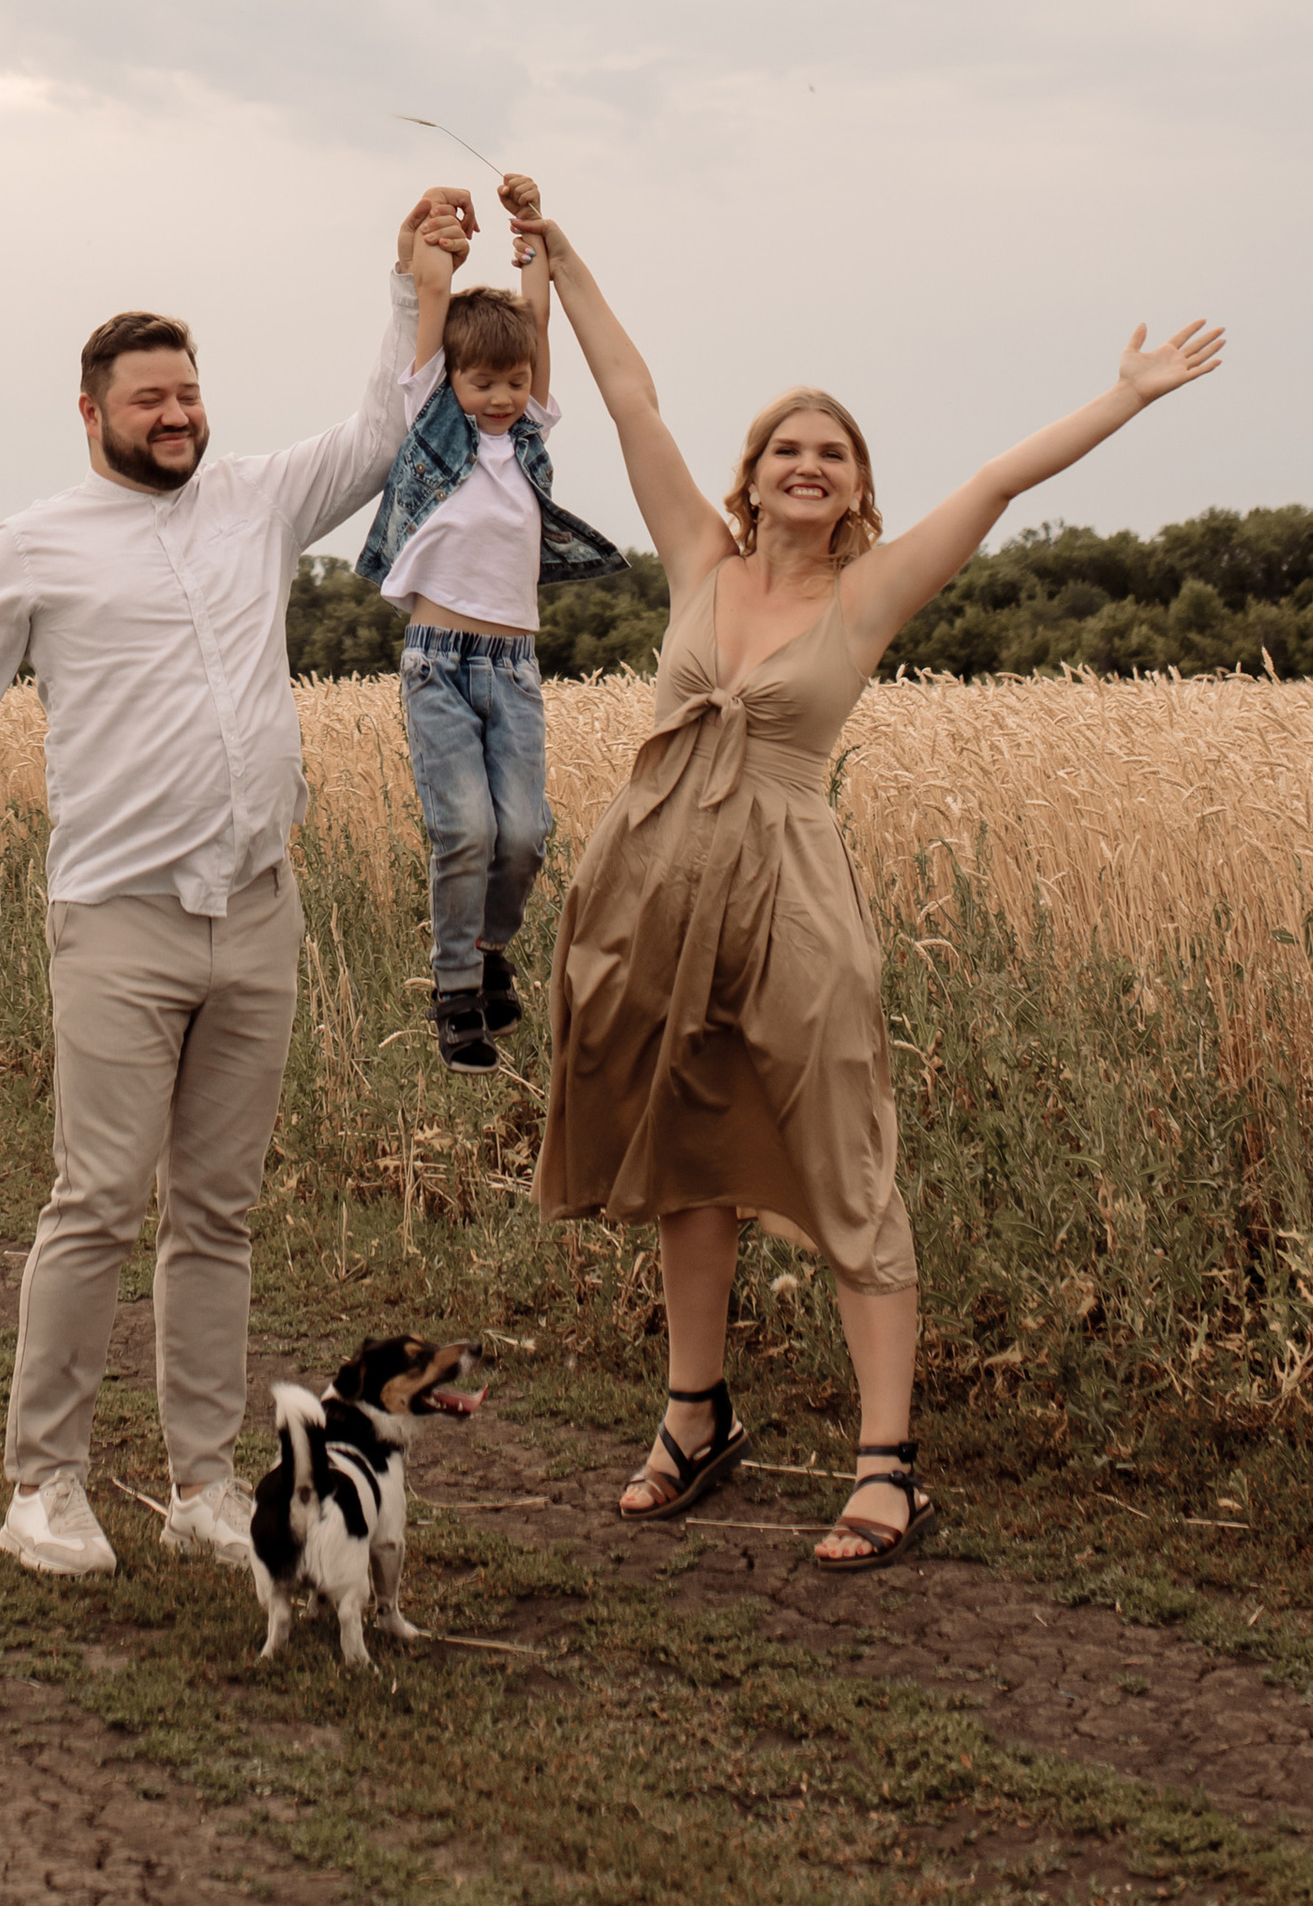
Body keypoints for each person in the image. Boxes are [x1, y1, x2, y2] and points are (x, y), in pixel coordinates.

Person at [509, 174, 1223, 1572]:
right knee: (687, 1162)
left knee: (843, 1166)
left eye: (833, 453)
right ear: (754, 472)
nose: (810, 466)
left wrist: (1127, 394)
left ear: (855, 487)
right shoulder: (699, 564)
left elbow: (1001, 482)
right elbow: (630, 400)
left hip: (789, 898)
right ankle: (693, 1419)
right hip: (654, 886)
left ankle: (887, 1463)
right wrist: (571, 259)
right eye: (789, 448)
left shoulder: (870, 591)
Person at [0, 188, 466, 1581]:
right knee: (95, 1202)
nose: (177, 416)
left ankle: (200, 1480)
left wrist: (414, 281)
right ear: (93, 414)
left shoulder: (255, 502)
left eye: (189, 394)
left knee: (218, 1212)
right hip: (120, 922)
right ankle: (45, 1483)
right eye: (150, 400)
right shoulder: (38, 543)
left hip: (258, 909)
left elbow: (385, 433)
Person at [357, 211, 623, 1071]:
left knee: (525, 836)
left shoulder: (534, 430)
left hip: (513, 667)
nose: (502, 396)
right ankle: (454, 990)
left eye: (514, 382)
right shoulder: (433, 418)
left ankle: (488, 949)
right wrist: (433, 250)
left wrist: (535, 253)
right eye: (484, 382)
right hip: (439, 660)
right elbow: (434, 304)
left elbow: (537, 329)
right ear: (452, 381)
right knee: (465, 829)